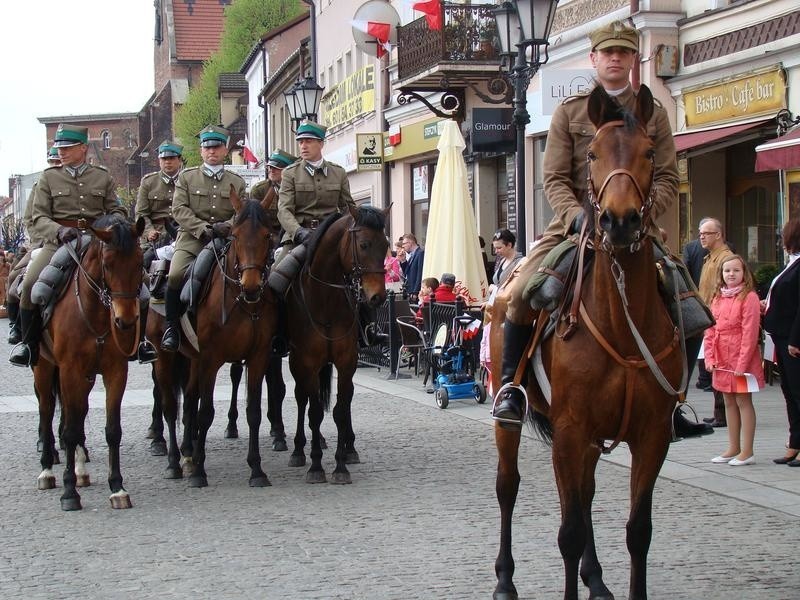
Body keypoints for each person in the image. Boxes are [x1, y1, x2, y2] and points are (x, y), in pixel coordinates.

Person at [492, 21, 679, 428]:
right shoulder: (571, 110)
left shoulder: (653, 115)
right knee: (520, 294)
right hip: (572, 227)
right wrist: (577, 217)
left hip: (636, 227)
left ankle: (673, 401)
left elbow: (667, 175)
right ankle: (512, 388)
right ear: (594, 58)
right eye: (607, 52)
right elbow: (555, 177)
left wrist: (646, 215)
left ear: (633, 59)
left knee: (688, 300)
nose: (615, 58)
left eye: (623, 52)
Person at [10, 124, 127, 366]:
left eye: (68, 147)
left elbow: (117, 209)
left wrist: (111, 225)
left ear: (82, 148)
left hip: (96, 241)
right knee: (31, 283)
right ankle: (28, 344)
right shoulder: (49, 178)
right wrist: (58, 230)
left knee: (140, 285)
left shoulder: (102, 177)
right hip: (61, 241)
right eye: (59, 148)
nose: (61, 152)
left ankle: (137, 342)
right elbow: (39, 216)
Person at [160, 125, 246, 351]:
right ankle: (172, 328)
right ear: (201, 151)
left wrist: (226, 226)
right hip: (193, 239)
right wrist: (203, 228)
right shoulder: (187, 178)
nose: (211, 152)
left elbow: (242, 213)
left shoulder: (236, 182)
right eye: (207, 148)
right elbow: (179, 209)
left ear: (225, 150)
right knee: (176, 274)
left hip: (227, 240)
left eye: (216, 147)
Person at [704, 254, 764, 465]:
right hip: (722, 358)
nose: (731, 274)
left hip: (740, 358)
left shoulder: (749, 297)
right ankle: (733, 447)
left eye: (736, 270)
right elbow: (710, 330)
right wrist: (709, 357)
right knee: (728, 401)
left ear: (744, 273)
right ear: (721, 274)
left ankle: (747, 451)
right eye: (727, 270)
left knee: (742, 401)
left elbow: (750, 334)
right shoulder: (717, 297)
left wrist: (742, 364)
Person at [134, 140, 184, 363]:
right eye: (164, 159)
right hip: (156, 238)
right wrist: (149, 231)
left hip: (184, 234)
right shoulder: (149, 182)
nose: (168, 163)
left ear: (179, 160)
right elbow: (141, 214)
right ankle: (141, 334)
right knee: (137, 273)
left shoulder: (188, 180)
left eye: (172, 159)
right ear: (159, 161)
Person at [6, 147, 61, 346]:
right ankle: (18, 328)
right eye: (54, 162)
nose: (57, 165)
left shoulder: (86, 180)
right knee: (17, 279)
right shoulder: (41, 185)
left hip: (83, 240)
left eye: (59, 161)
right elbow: (31, 220)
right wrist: (41, 240)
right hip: (46, 241)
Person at [762, 219, 800, 465]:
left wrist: (796, 339)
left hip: (793, 339)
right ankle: (795, 441)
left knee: (799, 392)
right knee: (789, 391)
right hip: (780, 335)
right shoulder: (792, 263)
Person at [697, 218, 734, 427]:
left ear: (718, 235)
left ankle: (722, 414)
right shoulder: (709, 258)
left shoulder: (725, 259)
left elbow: (723, 289)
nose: (702, 236)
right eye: (700, 233)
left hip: (719, 319)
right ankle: (718, 411)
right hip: (709, 317)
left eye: (706, 233)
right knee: (712, 365)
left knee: (719, 364)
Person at [250, 148, 298, 253]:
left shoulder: (298, 188)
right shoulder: (259, 190)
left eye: (277, 167)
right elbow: (254, 221)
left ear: (289, 169)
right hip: (266, 238)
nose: (272, 170)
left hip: (292, 234)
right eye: (270, 167)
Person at [399, 233, 424, 300]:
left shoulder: (420, 253)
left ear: (410, 242)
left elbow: (419, 274)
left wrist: (415, 292)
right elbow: (406, 273)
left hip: (414, 293)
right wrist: (403, 260)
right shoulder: (411, 256)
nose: (403, 246)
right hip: (409, 291)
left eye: (404, 244)